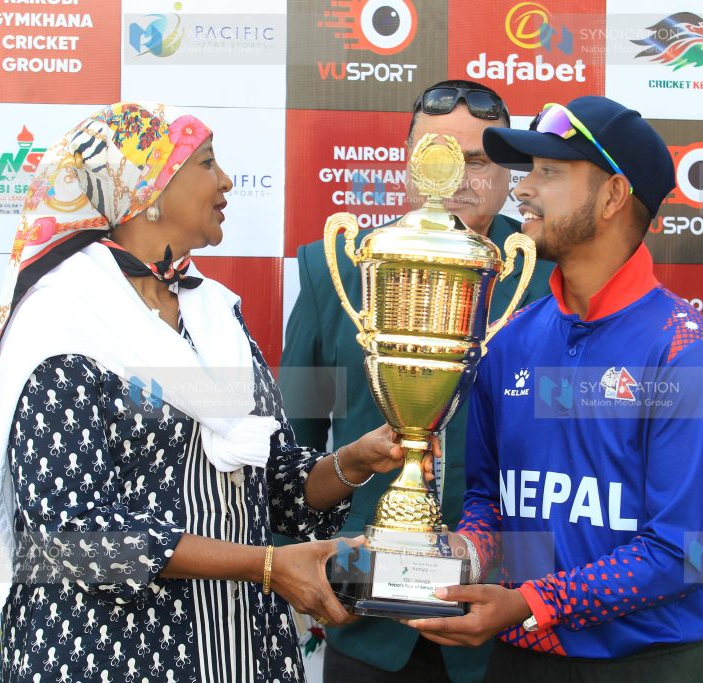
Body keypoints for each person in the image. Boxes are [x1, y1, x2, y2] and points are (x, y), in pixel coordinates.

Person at [0, 102, 416, 683]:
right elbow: (73, 533)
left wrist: (351, 463)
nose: (227, 180)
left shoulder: (214, 312)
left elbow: (266, 481)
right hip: (112, 658)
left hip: (239, 651)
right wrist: (265, 566)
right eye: (207, 163)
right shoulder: (63, 321)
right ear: (147, 189)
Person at [405, 96, 703, 682]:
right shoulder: (508, 340)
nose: (522, 190)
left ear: (613, 196)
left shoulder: (684, 355)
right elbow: (490, 503)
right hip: (519, 659)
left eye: (549, 173)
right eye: (527, 171)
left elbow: (679, 553)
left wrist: (532, 602)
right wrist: (462, 558)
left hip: (648, 666)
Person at [279, 80, 554, 682]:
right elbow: (293, 450)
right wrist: (306, 570)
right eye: (435, 153)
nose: (455, 175)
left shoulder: (554, 286)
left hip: (510, 624)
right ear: (406, 161)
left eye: (478, 160)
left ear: (511, 174)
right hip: (365, 619)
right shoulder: (338, 273)